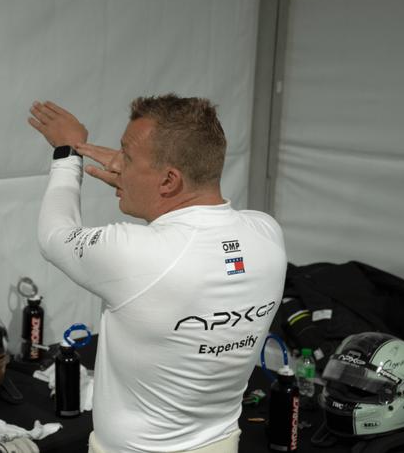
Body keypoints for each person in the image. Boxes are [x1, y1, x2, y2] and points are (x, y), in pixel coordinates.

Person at [28, 96, 287, 453]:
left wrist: (67, 153)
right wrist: (141, 181)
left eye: (127, 157)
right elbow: (195, 223)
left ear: (168, 180)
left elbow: (54, 236)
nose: (117, 164)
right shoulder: (267, 232)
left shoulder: (134, 253)